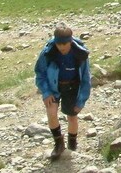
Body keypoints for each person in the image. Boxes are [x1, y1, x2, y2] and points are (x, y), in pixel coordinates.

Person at [35, 24, 92, 161]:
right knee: (51, 113)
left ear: (70, 41)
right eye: (58, 44)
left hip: (72, 87)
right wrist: (46, 92)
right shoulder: (48, 52)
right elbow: (40, 73)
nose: (61, 48)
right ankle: (58, 144)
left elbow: (86, 77)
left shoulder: (80, 54)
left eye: (64, 45)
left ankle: (72, 145)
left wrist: (81, 100)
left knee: (72, 116)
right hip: (53, 87)